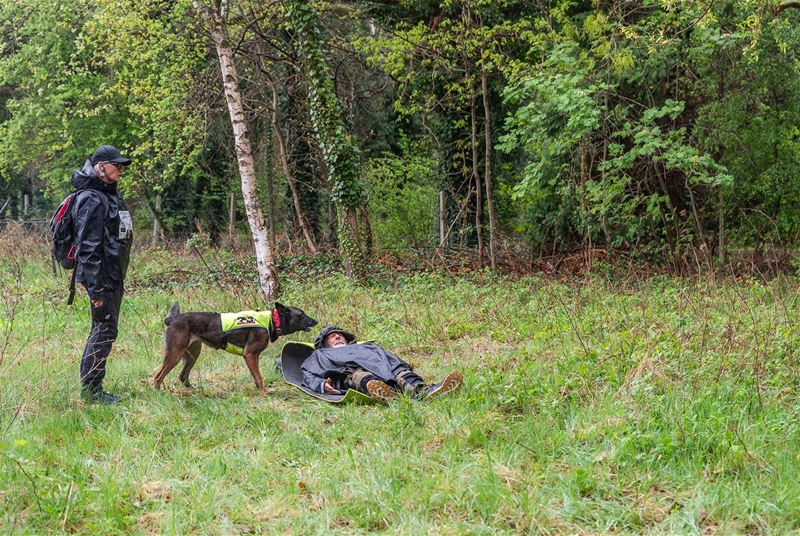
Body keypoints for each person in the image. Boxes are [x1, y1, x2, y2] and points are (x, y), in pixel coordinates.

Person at [72, 145, 133, 404]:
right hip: (102, 277)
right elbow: (87, 248)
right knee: (104, 329)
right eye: (115, 164)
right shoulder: (91, 200)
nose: (120, 169)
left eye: (121, 165)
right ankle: (92, 391)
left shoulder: (108, 196)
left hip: (112, 274)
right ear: (100, 167)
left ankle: (93, 387)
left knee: (105, 328)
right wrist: (96, 288)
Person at [301, 325, 463, 402]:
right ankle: (388, 395)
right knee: (363, 377)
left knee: (399, 372)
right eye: (332, 336)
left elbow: (390, 358)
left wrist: (400, 367)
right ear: (324, 343)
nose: (337, 337)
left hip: (384, 368)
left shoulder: (366, 346)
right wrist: (321, 384)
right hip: (350, 372)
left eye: (339, 335)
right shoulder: (320, 354)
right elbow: (308, 374)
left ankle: (424, 391)